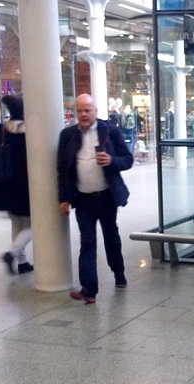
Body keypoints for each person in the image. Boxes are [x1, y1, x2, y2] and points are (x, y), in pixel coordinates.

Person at [57, 94, 133, 304]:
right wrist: (63, 198)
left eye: (87, 110)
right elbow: (62, 170)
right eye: (79, 110)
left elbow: (128, 159)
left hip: (107, 196)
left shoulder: (110, 131)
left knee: (111, 236)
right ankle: (89, 290)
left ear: (95, 111)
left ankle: (118, 272)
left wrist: (111, 161)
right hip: (82, 199)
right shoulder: (67, 135)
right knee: (87, 242)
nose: (83, 114)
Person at [0, 95, 34, 275]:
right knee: (35, 224)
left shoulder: (1, 130)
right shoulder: (30, 131)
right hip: (26, 183)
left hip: (6, 183)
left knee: (16, 222)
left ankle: (22, 263)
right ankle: (12, 253)